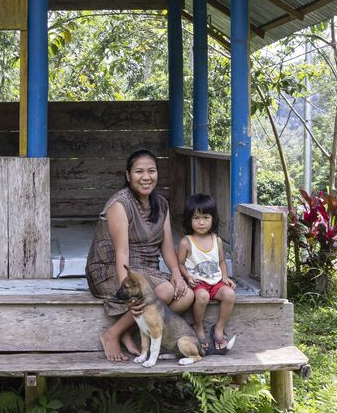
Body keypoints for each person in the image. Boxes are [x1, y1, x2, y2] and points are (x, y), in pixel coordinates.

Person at [86, 149, 194, 362]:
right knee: (163, 291)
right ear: (128, 175)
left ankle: (134, 330)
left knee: (186, 295)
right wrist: (125, 292)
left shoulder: (161, 204)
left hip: (146, 268)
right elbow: (121, 252)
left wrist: (176, 273)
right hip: (110, 268)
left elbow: (167, 246)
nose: (146, 177)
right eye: (139, 172)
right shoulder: (120, 204)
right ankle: (112, 334)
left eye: (151, 171)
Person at [176, 193, 236, 351]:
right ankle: (198, 326)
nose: (201, 222)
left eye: (205, 217)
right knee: (202, 297)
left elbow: (222, 261)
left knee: (229, 294)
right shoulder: (186, 242)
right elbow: (180, 264)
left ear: (213, 218)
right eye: (196, 218)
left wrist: (225, 277)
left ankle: (219, 328)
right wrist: (187, 276)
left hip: (215, 281)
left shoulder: (217, 240)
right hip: (198, 283)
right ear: (189, 220)